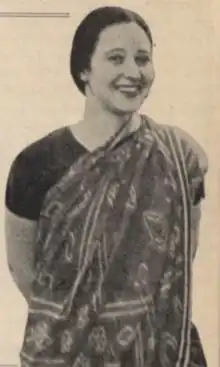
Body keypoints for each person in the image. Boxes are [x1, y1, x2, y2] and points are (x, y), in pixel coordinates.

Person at [4, 6, 208, 367]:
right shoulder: (35, 164)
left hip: (160, 348)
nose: (133, 72)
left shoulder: (179, 157)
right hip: (66, 352)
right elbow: (25, 271)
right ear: (84, 69)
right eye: (116, 58)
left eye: (142, 59)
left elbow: (181, 259)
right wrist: (79, 323)